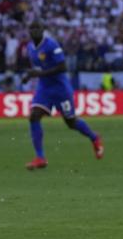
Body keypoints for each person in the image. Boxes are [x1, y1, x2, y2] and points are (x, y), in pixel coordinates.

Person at [21, 22, 104, 170]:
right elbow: (40, 66)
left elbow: (62, 67)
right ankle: (40, 157)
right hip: (44, 88)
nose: (34, 31)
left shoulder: (51, 44)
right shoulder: (30, 48)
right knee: (34, 116)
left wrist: (39, 74)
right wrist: (29, 76)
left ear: (42, 30)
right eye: (31, 28)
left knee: (71, 122)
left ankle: (94, 137)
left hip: (60, 89)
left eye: (37, 28)